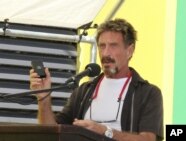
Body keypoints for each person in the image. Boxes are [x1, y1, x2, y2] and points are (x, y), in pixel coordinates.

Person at [29, 18, 163, 141]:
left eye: (113, 45)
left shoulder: (147, 93)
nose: (105, 53)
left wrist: (105, 131)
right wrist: (43, 98)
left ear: (129, 50)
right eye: (102, 46)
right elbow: (51, 133)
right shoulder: (84, 91)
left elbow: (148, 139)